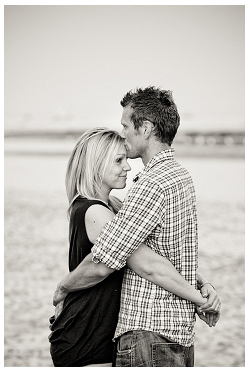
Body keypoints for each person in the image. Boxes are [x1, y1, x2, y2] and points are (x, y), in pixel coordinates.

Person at [53, 87, 221, 367]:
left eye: (125, 126)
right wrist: (200, 293)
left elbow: (148, 260)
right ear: (96, 165)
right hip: (99, 335)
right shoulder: (180, 177)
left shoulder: (144, 189)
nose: (123, 134)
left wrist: (62, 287)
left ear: (145, 128)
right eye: (117, 161)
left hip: (147, 330)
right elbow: (149, 257)